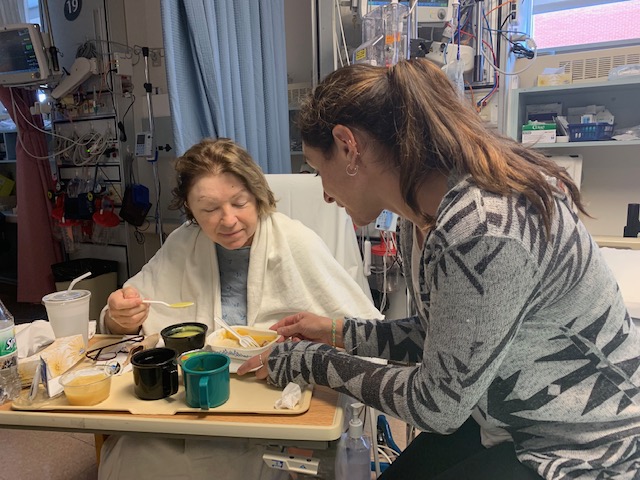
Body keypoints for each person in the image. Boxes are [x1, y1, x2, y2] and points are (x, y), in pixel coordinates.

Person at [237, 59, 640, 479]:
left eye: (319, 171)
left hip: (588, 445)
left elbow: (437, 404)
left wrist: (307, 361)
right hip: (508, 418)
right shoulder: (428, 213)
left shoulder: (482, 226)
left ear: (347, 145)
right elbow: (449, 339)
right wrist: (338, 333)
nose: (323, 194)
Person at [97, 137, 382, 480]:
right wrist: (118, 317)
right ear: (190, 209)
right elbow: (121, 323)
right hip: (193, 405)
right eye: (209, 209)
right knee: (129, 457)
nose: (228, 220)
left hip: (275, 408)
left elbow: (364, 333)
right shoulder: (183, 245)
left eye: (239, 203)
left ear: (258, 196)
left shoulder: (295, 241)